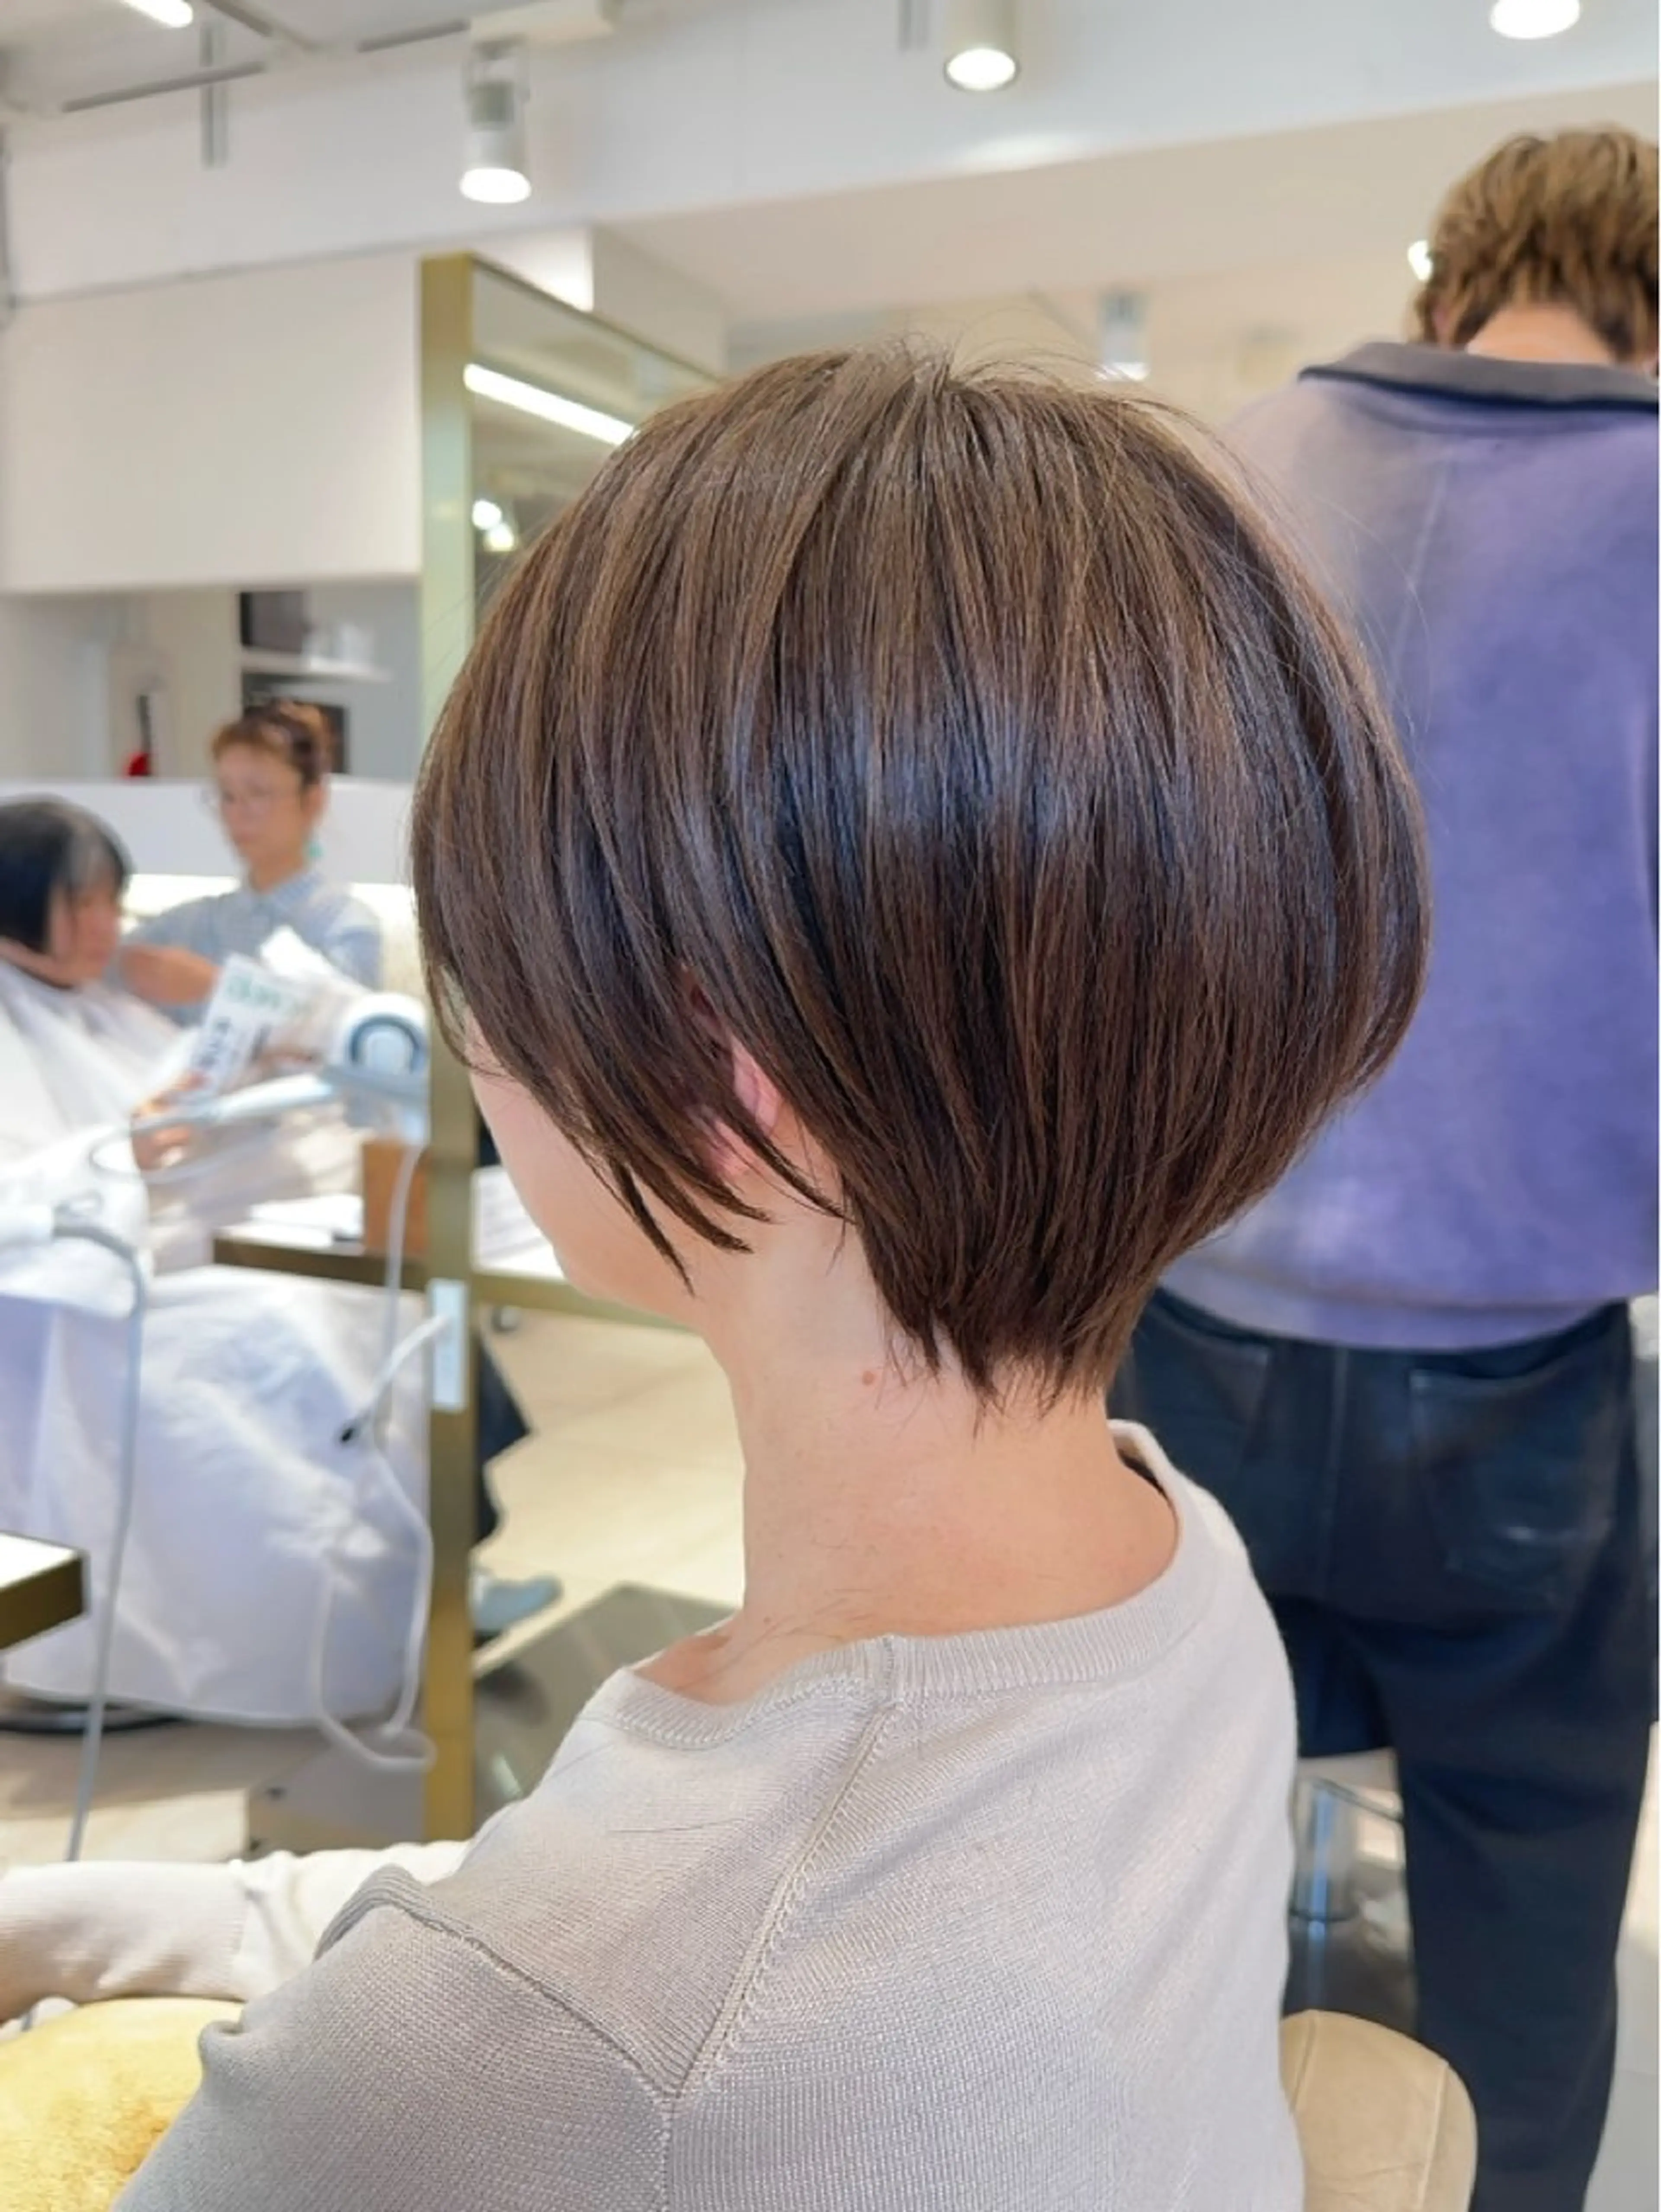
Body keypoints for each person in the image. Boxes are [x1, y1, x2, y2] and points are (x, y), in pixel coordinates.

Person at [1, 348, 1424, 2209]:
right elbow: (519, 1943)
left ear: (711, 1068)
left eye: (494, 971)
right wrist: (66, 1916)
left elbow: (535, 2013)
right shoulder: (1184, 1578)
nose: (482, 1057)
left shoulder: (530, 2053)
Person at [1113, 127, 1658, 2212]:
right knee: (1522, 1890)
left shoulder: (1237, 467)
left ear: (1453, 280)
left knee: (1177, 1838)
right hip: (1517, 1371)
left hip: (1190, 1317)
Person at [0, 798, 552, 1694]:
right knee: (304, 1317)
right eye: (83, 904)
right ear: (18, 903)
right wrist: (127, 1151)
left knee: (400, 1296)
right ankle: (400, 1600)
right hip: (84, 1302)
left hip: (173, 1244)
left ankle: (439, 1578)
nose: (108, 925)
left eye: (111, 900)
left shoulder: (108, 994)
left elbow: (170, 1108)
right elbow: (25, 1197)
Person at [118, 700, 382, 1017]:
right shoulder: (192, 924)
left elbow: (354, 1032)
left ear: (313, 801)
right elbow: (103, 968)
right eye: (227, 795)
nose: (237, 813)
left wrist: (216, 986)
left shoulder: (345, 926)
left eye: (257, 793)